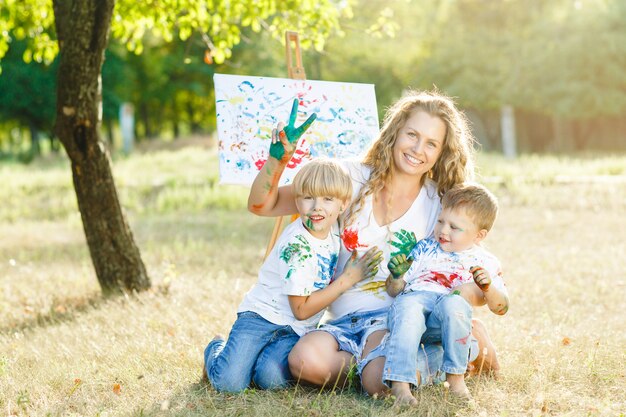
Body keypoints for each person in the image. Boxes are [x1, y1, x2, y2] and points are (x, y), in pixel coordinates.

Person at [247, 92, 498, 397]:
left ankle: (461, 346)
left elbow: (463, 265)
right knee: (304, 362)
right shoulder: (349, 178)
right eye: (412, 135)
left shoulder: (438, 204)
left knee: (380, 384)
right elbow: (264, 205)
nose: (418, 149)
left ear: (442, 151)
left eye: (431, 143)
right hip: (341, 321)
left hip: (397, 322)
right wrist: (277, 160)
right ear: (395, 133)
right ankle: (389, 365)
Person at [203, 159, 382, 392]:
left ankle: (249, 361)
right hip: (260, 318)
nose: (317, 207)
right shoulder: (297, 245)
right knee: (229, 384)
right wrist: (347, 279)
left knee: (272, 380)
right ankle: (216, 349)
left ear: (342, 205)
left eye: (327, 199)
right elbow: (301, 310)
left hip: (295, 331)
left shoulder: (333, 228)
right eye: (308, 198)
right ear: (296, 201)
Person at [384, 183, 509, 404]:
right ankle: (400, 386)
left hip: (445, 321)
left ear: (479, 235)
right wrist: (395, 276)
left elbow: (502, 307)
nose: (443, 231)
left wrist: (487, 288)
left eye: (454, 227)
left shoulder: (486, 261)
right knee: (409, 305)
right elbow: (395, 291)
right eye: (441, 221)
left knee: (455, 304)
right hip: (413, 310)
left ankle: (456, 380)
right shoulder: (424, 248)